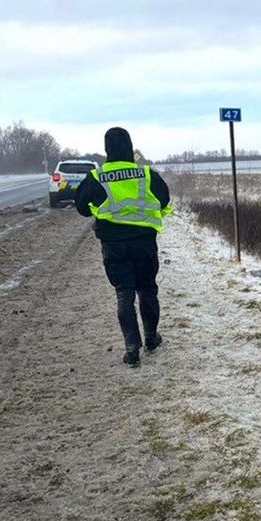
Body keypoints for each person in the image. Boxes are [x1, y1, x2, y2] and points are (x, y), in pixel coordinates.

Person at [74, 127, 172, 367]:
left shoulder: (97, 177)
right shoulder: (146, 174)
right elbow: (164, 199)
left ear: (107, 148)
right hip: (144, 242)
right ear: (130, 146)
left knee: (124, 294)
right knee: (147, 289)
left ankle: (131, 348)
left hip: (113, 245)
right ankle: (151, 338)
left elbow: (82, 207)